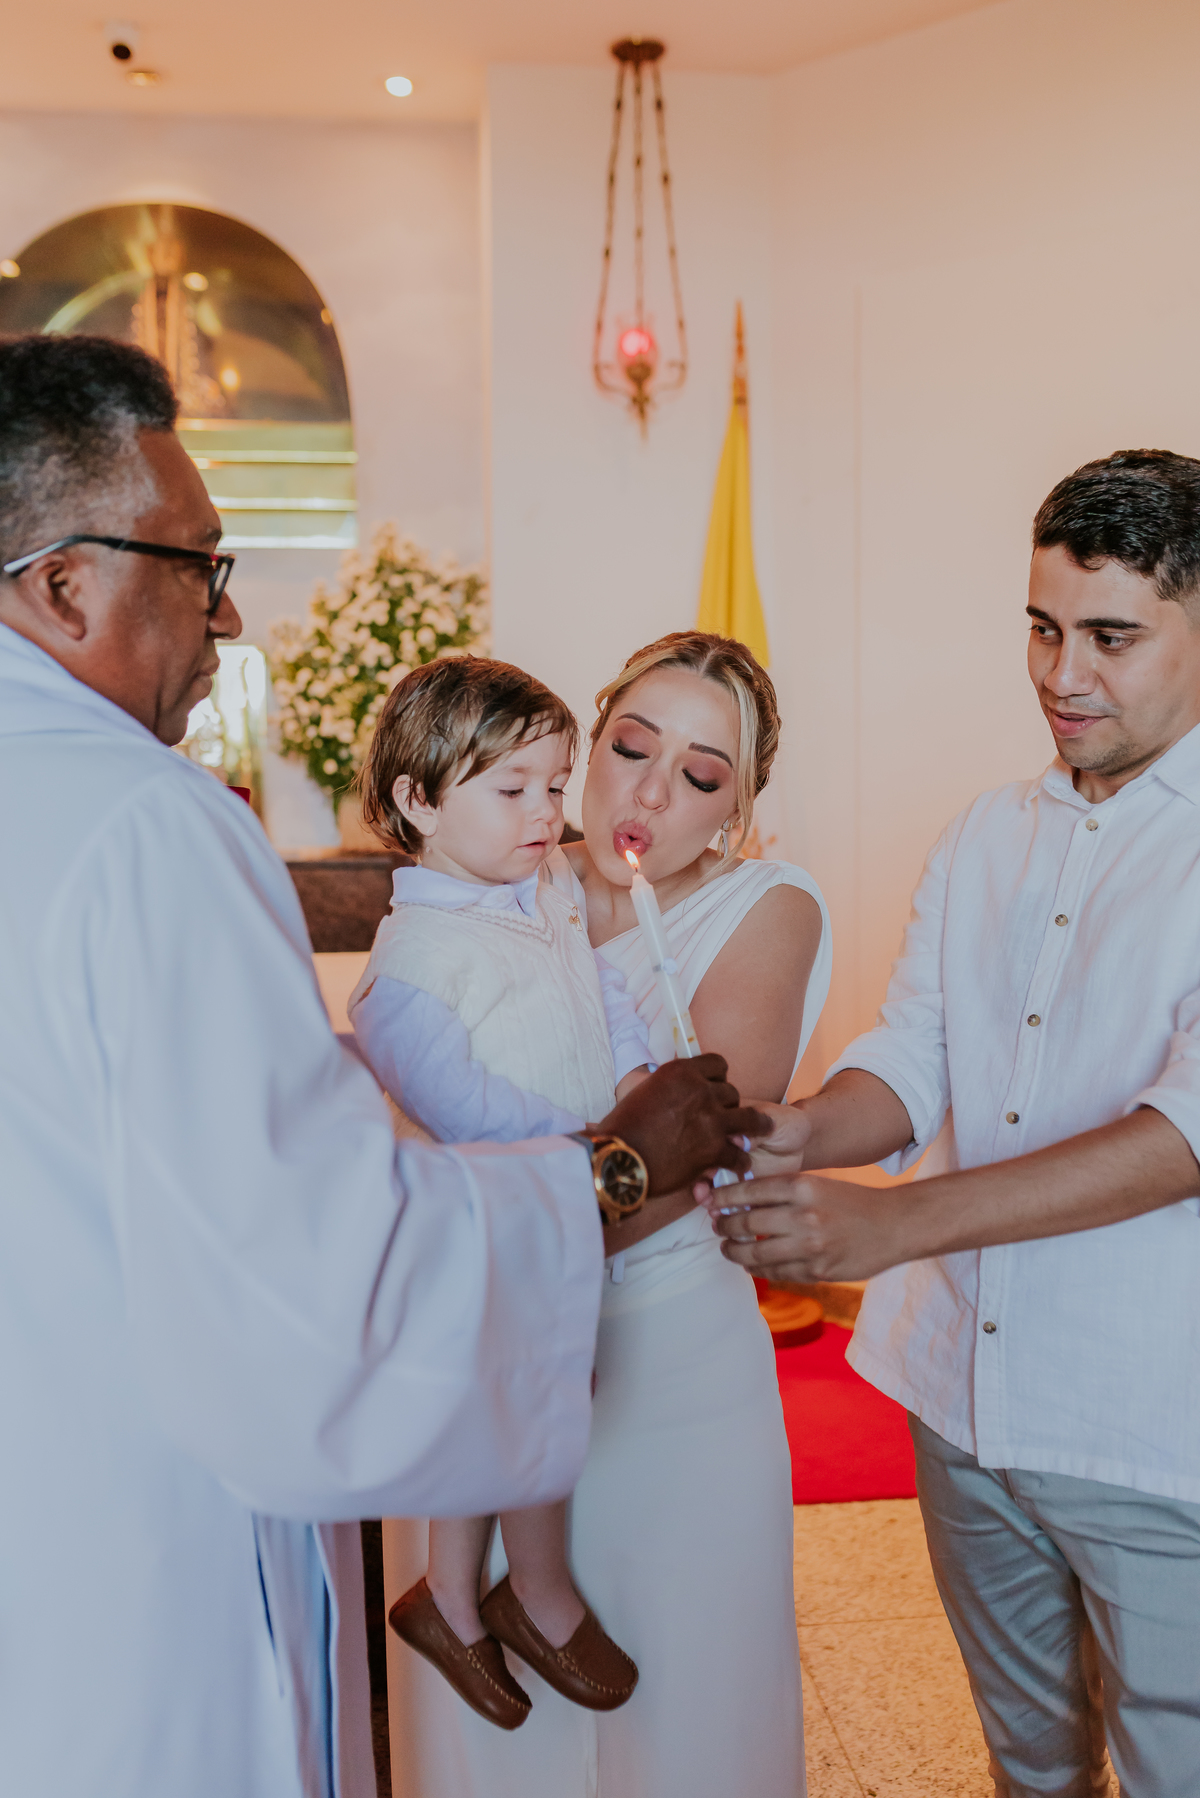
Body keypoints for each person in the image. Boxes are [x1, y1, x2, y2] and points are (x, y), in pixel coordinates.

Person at [0, 334, 763, 1798]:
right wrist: (612, 1164)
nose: (227, 621)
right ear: (61, 581)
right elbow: (314, 1269)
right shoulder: (142, 823)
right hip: (136, 1554)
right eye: (199, 567)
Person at [712, 450, 1200, 1798]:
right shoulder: (988, 831)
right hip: (958, 1396)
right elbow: (911, 1055)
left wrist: (893, 1219)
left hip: (1153, 1420)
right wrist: (802, 1132)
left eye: (1111, 635)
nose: (1061, 674)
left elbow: (1184, 1134)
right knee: (1031, 1762)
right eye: (1041, 628)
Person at [384, 629, 831, 1798]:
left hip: (667, 1350)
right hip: (478, 1326)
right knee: (498, 1753)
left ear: (737, 809)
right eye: (632, 746)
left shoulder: (766, 907)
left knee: (683, 1705)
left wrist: (503, 1209)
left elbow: (694, 1143)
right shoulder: (499, 862)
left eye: (700, 774)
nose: (646, 790)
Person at [348, 653, 650, 1729]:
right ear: (418, 801)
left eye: (556, 784)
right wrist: (593, 1145)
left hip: (553, 1214)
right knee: (526, 1410)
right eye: (511, 787)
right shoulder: (412, 964)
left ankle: (454, 1599)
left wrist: (642, 1069)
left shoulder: (548, 888)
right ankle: (536, 1593)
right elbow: (464, 1108)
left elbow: (601, 989)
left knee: (523, 1403)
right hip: (486, 1225)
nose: (547, 811)